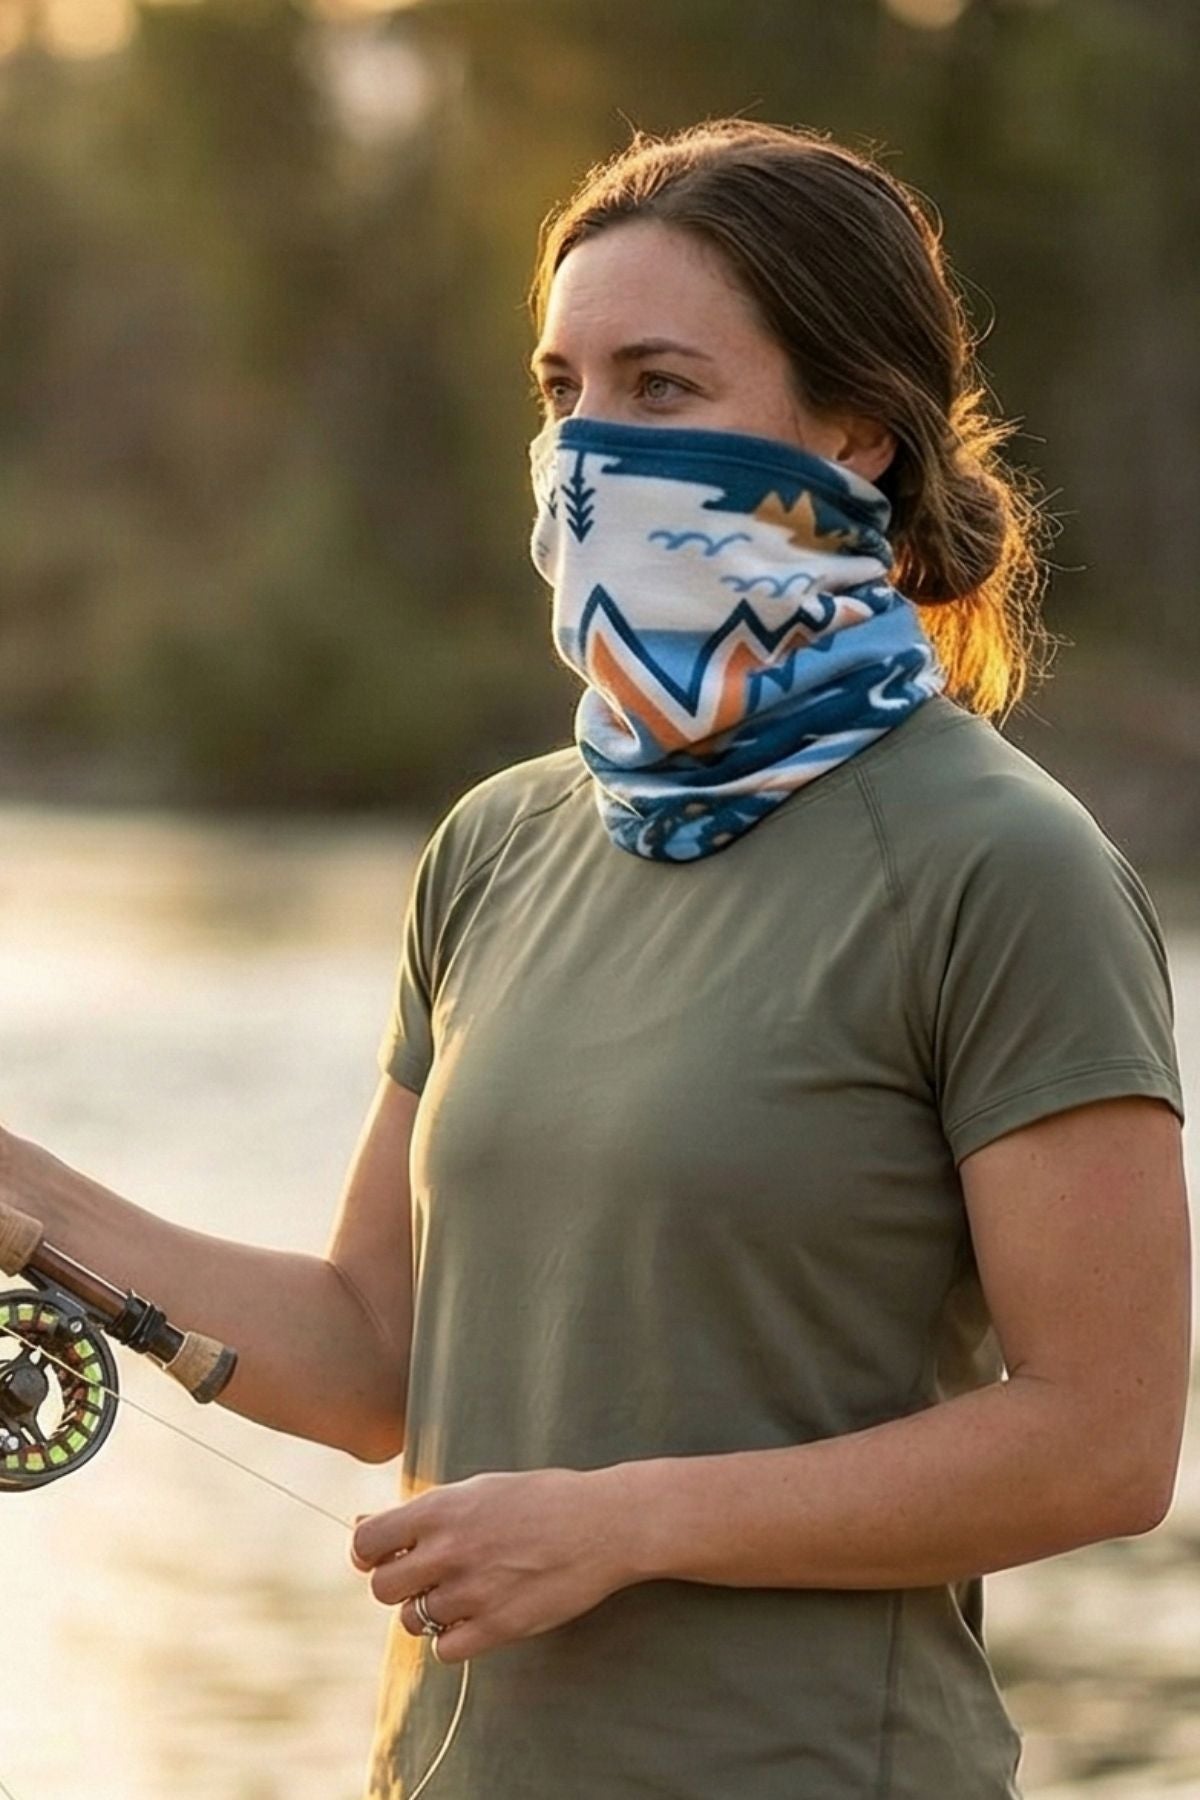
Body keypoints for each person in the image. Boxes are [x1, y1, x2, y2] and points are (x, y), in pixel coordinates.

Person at [0, 120, 1190, 1800]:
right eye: (564, 389)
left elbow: (1104, 1443)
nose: (586, 448)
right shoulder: (499, 844)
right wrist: (31, 1202)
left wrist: (620, 1525)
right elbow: (366, 1358)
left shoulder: (1008, 870)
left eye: (661, 386)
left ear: (852, 429)